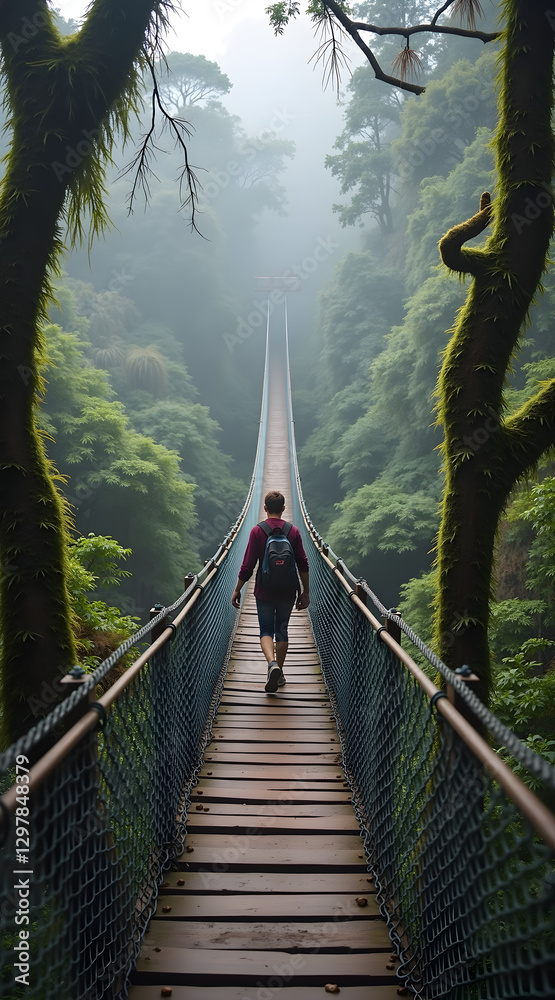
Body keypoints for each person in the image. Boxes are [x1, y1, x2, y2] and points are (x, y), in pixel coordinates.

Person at [231, 490, 310, 692]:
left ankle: (271, 664)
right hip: (288, 589)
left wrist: (238, 589)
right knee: (281, 630)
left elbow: (247, 566)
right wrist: (305, 591)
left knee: (266, 630)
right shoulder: (293, 531)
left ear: (265, 508)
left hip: (264, 589)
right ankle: (280, 673)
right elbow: (303, 562)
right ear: (283, 509)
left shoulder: (257, 531)